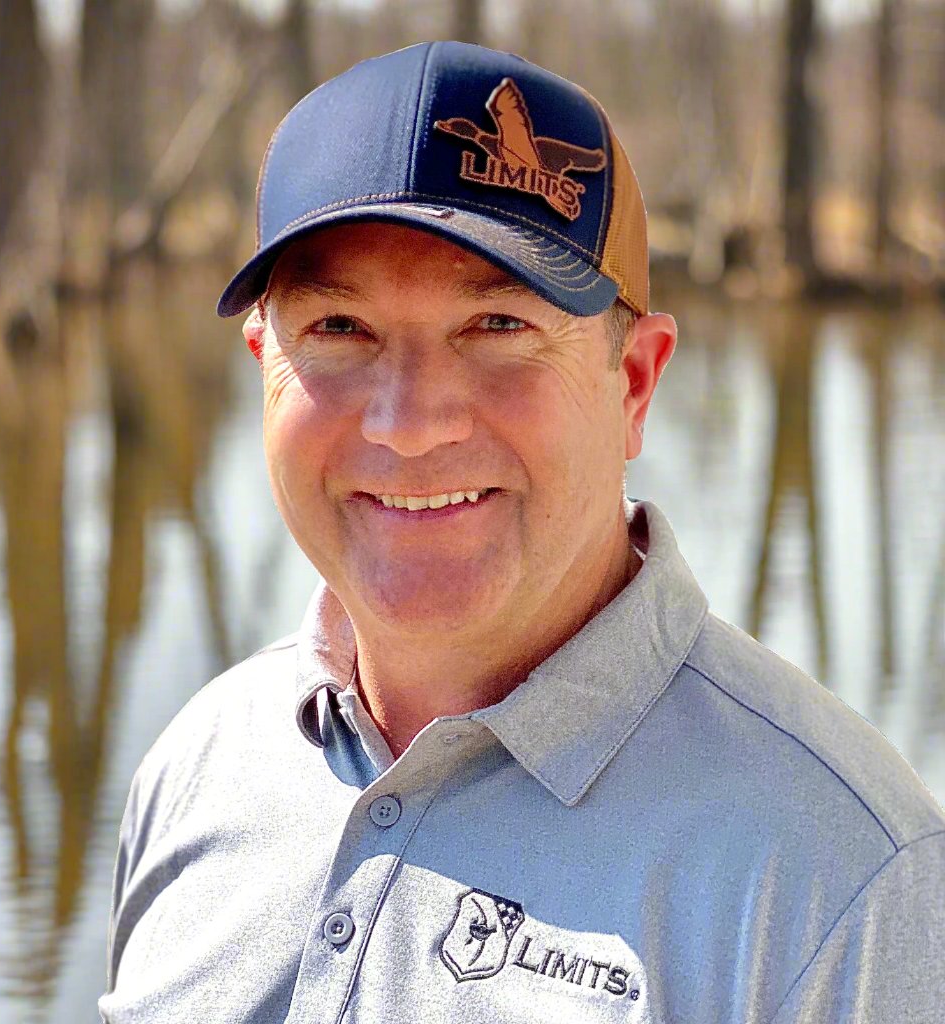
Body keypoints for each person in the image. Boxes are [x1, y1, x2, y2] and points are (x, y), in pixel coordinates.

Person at [98, 41, 944, 1024]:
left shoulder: (836, 876)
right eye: (337, 328)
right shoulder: (201, 766)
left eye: (498, 325)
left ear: (633, 381)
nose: (408, 422)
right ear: (262, 362)